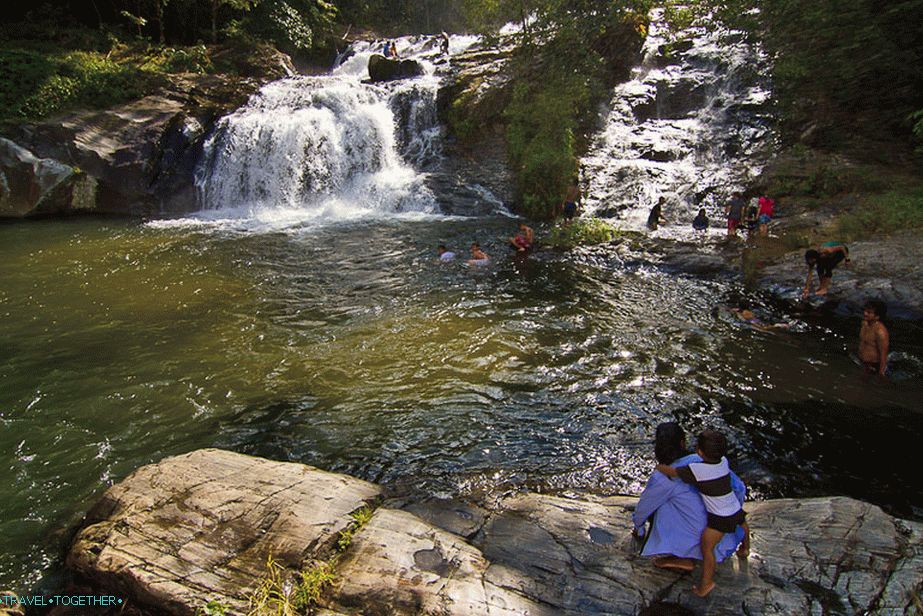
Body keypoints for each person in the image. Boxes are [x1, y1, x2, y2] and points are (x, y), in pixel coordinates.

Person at [633, 423, 747, 575]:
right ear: (683, 443)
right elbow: (739, 487)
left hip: (701, 543)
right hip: (726, 533)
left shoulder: (663, 477)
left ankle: (684, 557)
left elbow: (644, 507)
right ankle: (743, 547)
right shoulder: (708, 460)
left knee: (660, 505)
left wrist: (638, 527)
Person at [655, 429, 750, 598]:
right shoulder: (724, 462)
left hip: (719, 518)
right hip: (734, 508)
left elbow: (674, 473)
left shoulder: (697, 470)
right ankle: (745, 549)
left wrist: (660, 467)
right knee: (743, 525)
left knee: (707, 548)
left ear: (699, 451)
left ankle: (706, 584)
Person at [859, 299, 889, 378]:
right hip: (862, 362)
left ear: (877, 316)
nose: (865, 313)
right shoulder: (864, 324)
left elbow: (883, 355)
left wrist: (881, 373)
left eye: (869, 312)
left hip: (873, 366)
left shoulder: (880, 332)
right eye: (865, 311)